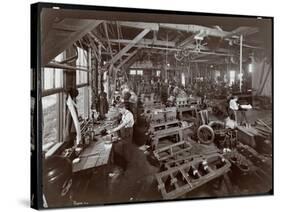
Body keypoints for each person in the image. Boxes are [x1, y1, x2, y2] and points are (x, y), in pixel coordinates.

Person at [107, 103, 135, 170]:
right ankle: (124, 163)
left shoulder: (129, 115)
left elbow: (123, 124)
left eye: (120, 110)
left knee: (127, 148)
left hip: (128, 132)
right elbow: (121, 121)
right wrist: (113, 123)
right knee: (124, 147)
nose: (120, 112)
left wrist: (113, 130)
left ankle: (127, 165)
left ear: (123, 108)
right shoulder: (124, 113)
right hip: (124, 132)